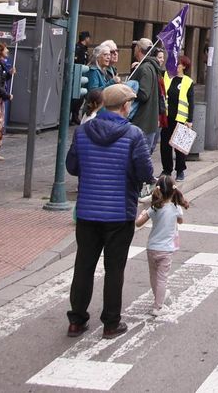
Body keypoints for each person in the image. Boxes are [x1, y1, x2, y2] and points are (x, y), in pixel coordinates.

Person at [65, 83, 155, 338]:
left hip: (87, 210)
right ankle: (111, 323)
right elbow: (145, 172)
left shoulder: (83, 131)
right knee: (114, 268)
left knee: (84, 265)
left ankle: (76, 320)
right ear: (125, 106)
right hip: (119, 211)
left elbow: (72, 166)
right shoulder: (133, 134)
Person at [136, 172, 189, 315]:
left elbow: (138, 223)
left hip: (151, 247)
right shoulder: (175, 208)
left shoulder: (154, 208)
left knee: (154, 276)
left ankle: (158, 297)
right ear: (173, 191)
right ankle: (158, 307)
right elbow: (180, 221)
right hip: (166, 250)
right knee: (162, 278)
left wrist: (141, 214)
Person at [126, 38, 165, 169]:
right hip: (146, 122)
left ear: (139, 49)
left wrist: (127, 89)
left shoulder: (145, 68)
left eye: (135, 47)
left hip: (142, 122)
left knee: (138, 161)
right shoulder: (148, 67)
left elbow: (144, 94)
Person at [163, 55, 195, 180]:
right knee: (165, 146)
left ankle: (180, 171)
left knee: (179, 147)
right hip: (167, 117)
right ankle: (167, 170)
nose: (175, 66)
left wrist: (190, 120)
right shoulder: (167, 77)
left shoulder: (188, 82)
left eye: (178, 64)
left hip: (181, 119)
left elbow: (191, 102)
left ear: (184, 67)